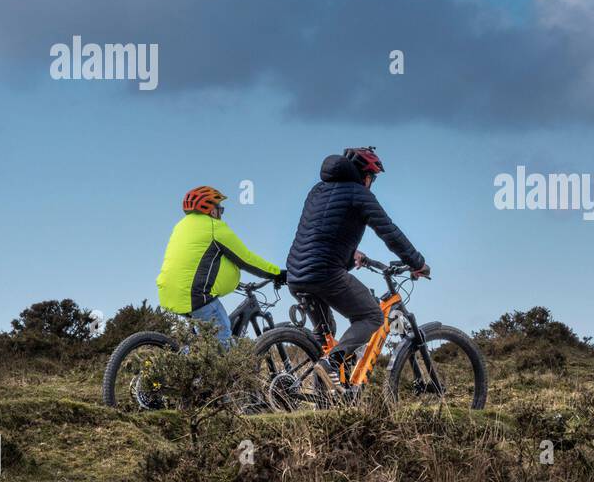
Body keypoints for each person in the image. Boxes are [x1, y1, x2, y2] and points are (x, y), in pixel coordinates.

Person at [286, 147, 428, 385]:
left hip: (296, 273)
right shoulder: (359, 194)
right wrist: (417, 263)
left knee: (326, 333)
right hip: (325, 274)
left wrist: (351, 254)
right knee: (372, 315)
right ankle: (332, 363)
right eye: (373, 178)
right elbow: (390, 232)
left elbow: (319, 233)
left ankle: (325, 392)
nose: (372, 183)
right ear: (366, 176)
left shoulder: (317, 191)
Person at [156, 186, 286, 344]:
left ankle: (187, 365)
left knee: (202, 345)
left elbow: (195, 263)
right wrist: (277, 273)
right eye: (221, 209)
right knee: (222, 336)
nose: (221, 214)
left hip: (170, 295)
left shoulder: (180, 227)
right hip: (196, 296)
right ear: (212, 210)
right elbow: (246, 259)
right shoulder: (214, 227)